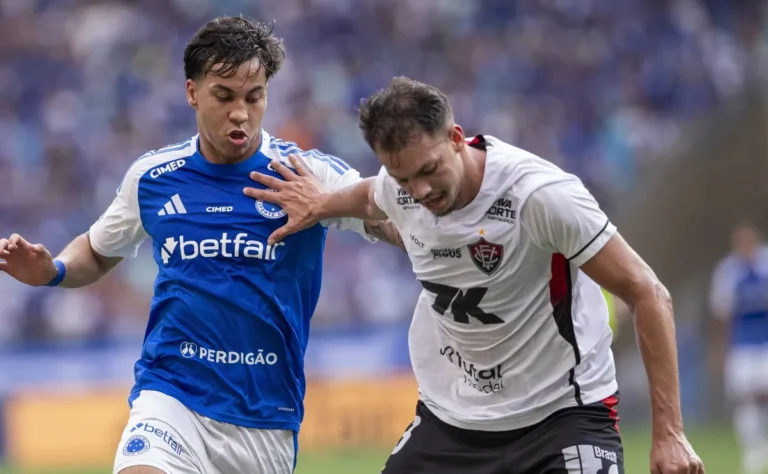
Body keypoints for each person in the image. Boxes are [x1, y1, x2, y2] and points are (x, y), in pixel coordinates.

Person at [0, 17, 402, 474]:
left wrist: (341, 206)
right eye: (224, 96)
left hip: (264, 417)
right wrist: (52, 270)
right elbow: (95, 251)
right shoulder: (154, 178)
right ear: (192, 92)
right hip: (171, 396)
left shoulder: (307, 175)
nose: (241, 113)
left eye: (254, 97)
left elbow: (393, 223)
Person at [243, 76, 705, 474]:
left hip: (562, 414)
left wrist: (669, 433)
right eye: (404, 180)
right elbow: (369, 198)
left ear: (456, 138)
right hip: (454, 420)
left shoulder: (540, 197)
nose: (420, 191)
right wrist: (320, 204)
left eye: (429, 170)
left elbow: (647, 293)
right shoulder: (398, 189)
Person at [710, 222, 768, 474]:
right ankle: (752, 448)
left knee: (763, 394)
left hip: (765, 343)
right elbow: (723, 315)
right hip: (742, 345)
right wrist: (720, 349)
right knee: (745, 397)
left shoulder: (765, 265)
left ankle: (763, 442)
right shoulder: (728, 272)